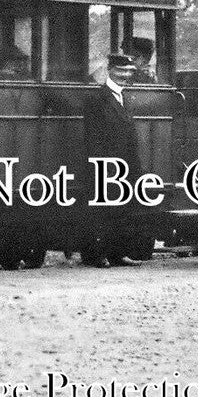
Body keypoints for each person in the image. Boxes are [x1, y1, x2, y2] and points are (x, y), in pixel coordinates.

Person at [80, 53, 149, 266]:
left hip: (124, 164)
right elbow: (92, 136)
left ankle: (117, 253)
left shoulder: (124, 97)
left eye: (128, 72)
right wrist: (102, 166)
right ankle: (96, 255)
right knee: (102, 211)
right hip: (105, 165)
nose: (124, 76)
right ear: (110, 71)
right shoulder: (97, 99)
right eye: (120, 71)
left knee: (122, 210)